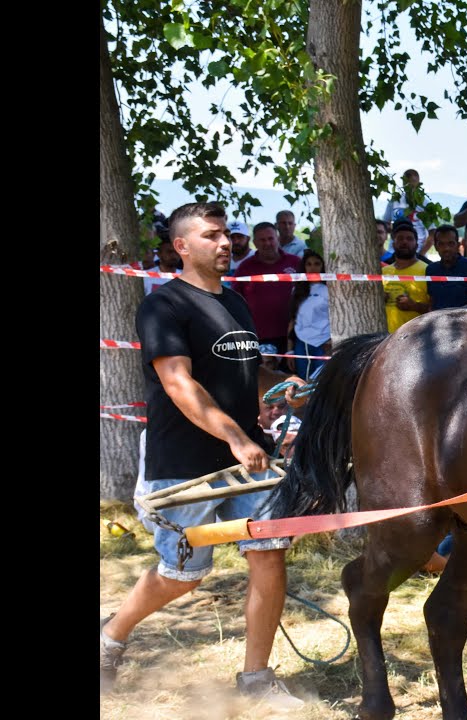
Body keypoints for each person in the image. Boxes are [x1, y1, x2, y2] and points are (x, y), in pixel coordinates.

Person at [102, 201, 308, 708]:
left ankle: (256, 680)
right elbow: (178, 381)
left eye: (226, 235)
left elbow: (247, 368)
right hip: (185, 465)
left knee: (269, 553)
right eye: (212, 235)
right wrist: (234, 436)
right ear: (181, 246)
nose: (224, 243)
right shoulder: (163, 305)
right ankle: (109, 638)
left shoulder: (236, 303)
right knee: (183, 576)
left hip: (249, 464)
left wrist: (284, 387)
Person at [234, 222, 302, 355]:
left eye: (270, 238)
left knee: (293, 375)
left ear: (277, 238)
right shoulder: (244, 267)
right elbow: (235, 300)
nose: (267, 243)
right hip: (258, 336)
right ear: (254, 242)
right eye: (262, 240)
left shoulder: (295, 263)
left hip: (293, 336)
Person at [287, 249, 331, 380]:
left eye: (317, 263)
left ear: (323, 266)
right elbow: (293, 320)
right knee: (303, 382)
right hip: (301, 343)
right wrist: (289, 350)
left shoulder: (330, 290)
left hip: (324, 343)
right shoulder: (297, 289)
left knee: (322, 382)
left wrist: (332, 341)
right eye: (309, 264)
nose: (313, 267)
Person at [381, 220, 431, 332]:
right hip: (384, 340)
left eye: (409, 239)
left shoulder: (427, 270)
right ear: (393, 244)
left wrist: (414, 306)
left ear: (416, 244)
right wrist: (380, 300)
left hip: (415, 340)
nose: (404, 242)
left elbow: (436, 310)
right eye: (400, 238)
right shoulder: (383, 272)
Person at [424, 224, 467, 309]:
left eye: (451, 243)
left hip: (465, 321)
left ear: (458, 245)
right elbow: (431, 303)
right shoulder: (431, 270)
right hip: (437, 320)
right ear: (435, 247)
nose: (446, 248)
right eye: (441, 244)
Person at [382, 168, 428, 242]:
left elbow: (432, 232)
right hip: (395, 248)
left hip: (418, 247)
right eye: (406, 182)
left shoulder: (425, 204)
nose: (409, 185)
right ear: (403, 183)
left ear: (418, 183)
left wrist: (422, 253)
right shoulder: (394, 201)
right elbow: (386, 223)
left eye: (413, 182)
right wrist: (397, 230)